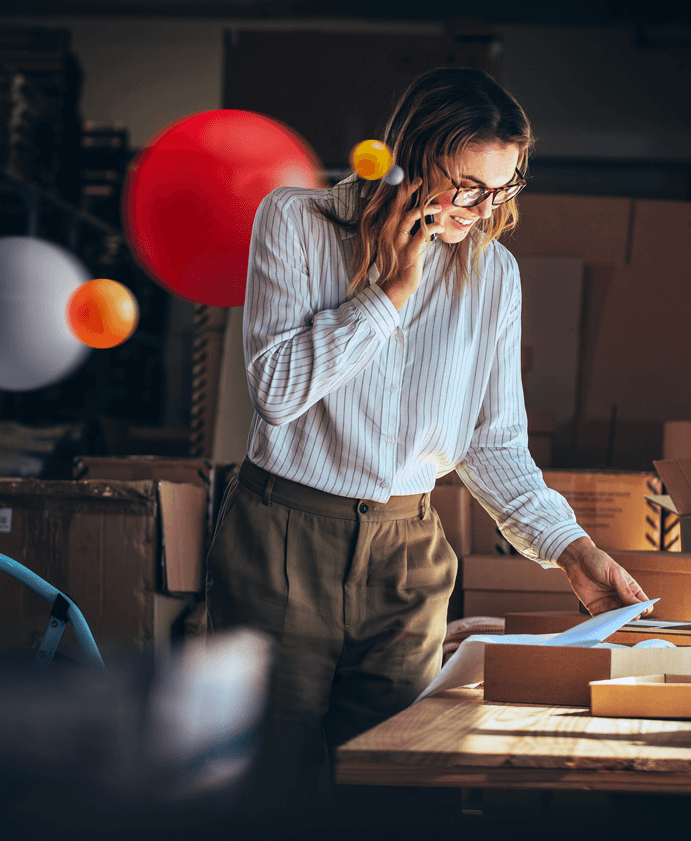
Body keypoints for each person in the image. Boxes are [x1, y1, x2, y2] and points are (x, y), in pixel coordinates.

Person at [205, 67, 650, 807]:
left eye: (502, 189)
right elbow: (277, 393)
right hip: (280, 540)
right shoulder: (295, 220)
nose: (482, 208)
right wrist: (389, 295)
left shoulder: (494, 274)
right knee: (267, 789)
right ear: (411, 152)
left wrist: (572, 550)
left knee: (397, 792)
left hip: (407, 555)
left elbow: (494, 441)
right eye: (468, 185)